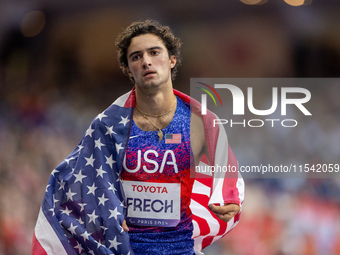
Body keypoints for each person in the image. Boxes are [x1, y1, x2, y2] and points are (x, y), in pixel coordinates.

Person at [32, 20, 244, 255]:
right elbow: (77, 184)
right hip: (126, 249)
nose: (146, 61)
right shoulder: (108, 125)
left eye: (154, 52)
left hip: (181, 248)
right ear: (127, 69)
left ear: (172, 59)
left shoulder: (201, 122)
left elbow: (226, 170)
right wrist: (107, 218)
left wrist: (229, 198)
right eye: (136, 56)